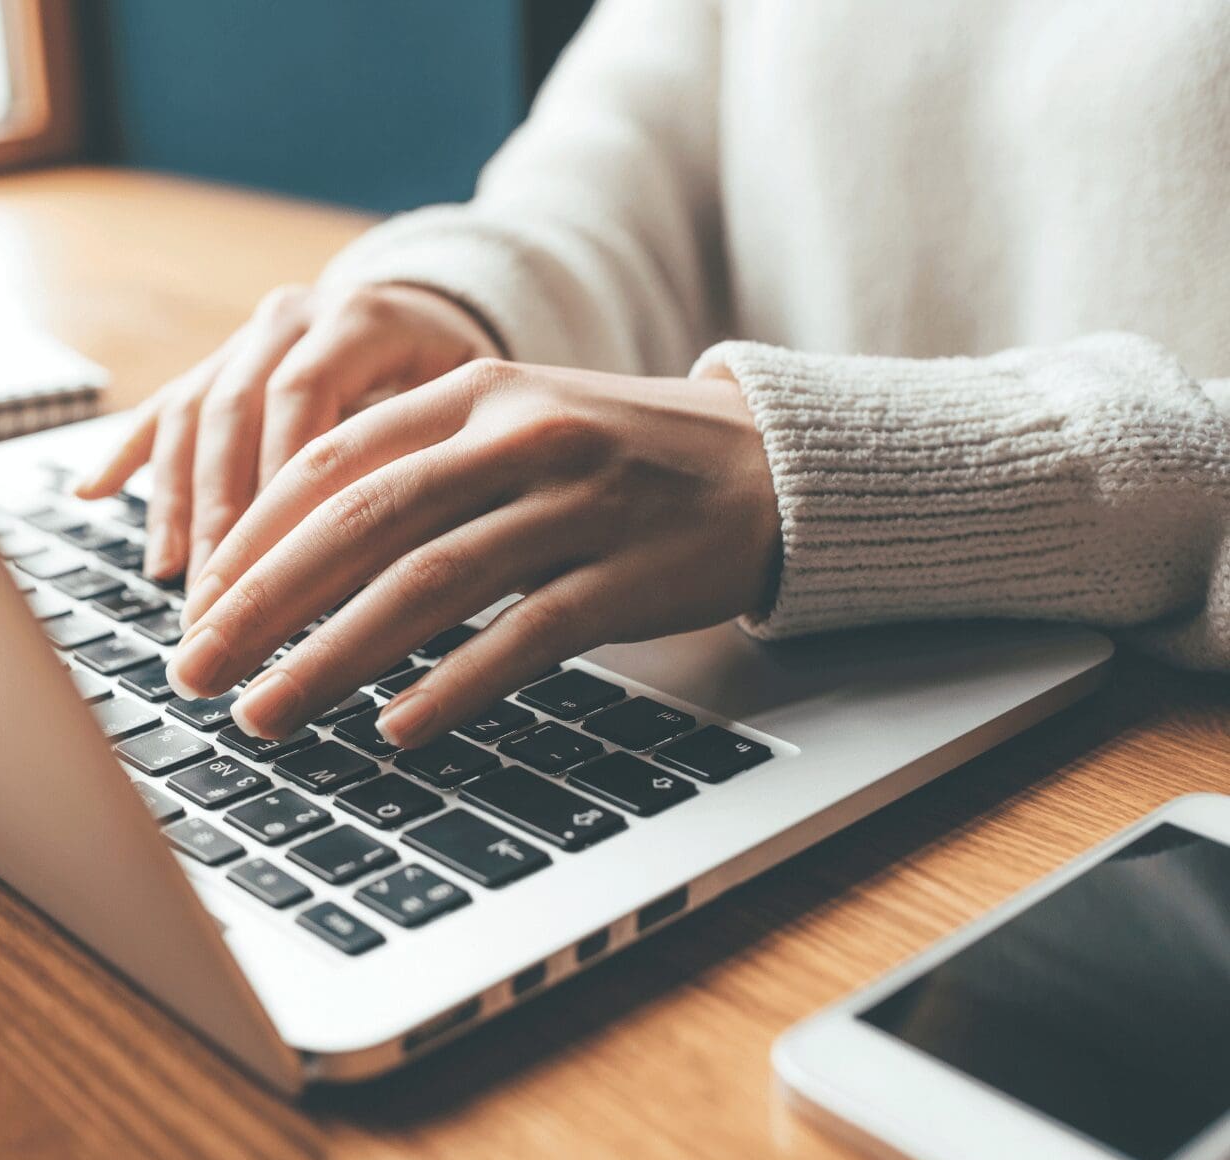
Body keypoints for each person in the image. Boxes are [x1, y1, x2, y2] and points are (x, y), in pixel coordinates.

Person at [75, 0, 1230, 751]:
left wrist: (828, 471)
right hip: (778, 676)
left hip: (1155, 760)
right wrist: (456, 302)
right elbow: (627, 161)